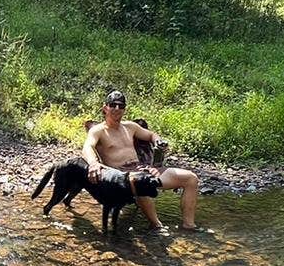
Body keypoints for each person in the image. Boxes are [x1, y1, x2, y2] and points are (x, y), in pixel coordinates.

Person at [82, 90, 201, 232]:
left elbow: (151, 135)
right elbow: (87, 146)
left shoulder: (130, 127)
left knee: (190, 178)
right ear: (105, 108)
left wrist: (158, 141)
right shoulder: (98, 130)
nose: (117, 109)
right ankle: (157, 225)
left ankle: (189, 225)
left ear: (125, 109)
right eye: (113, 105)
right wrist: (93, 163)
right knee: (140, 181)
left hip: (141, 168)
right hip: (121, 176)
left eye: (121, 106)